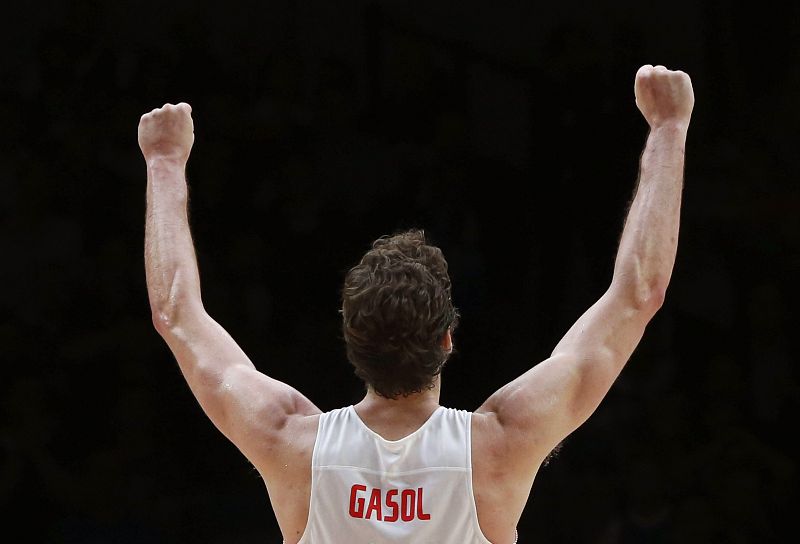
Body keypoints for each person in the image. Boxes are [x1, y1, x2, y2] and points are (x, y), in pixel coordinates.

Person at [138, 64, 694, 543]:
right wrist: (669, 128)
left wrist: (164, 161)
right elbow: (637, 294)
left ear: (352, 341)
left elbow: (176, 314)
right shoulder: (498, 445)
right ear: (448, 339)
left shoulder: (291, 442)